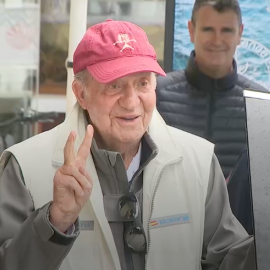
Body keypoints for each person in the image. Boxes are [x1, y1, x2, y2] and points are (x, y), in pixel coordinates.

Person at [0, 20, 255, 270]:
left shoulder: (199, 162)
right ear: (80, 93)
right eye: (115, 85)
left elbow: (228, 260)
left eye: (142, 83)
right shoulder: (24, 167)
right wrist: (55, 222)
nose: (132, 102)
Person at [156, 0, 267, 179]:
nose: (217, 41)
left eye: (227, 30)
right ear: (191, 31)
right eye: (208, 29)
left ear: (240, 33)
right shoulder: (157, 94)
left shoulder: (261, 104)